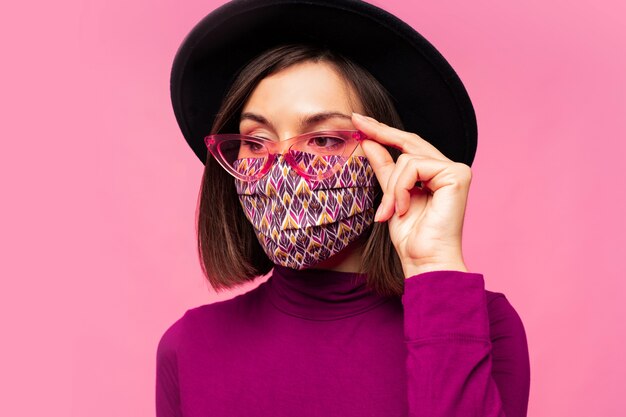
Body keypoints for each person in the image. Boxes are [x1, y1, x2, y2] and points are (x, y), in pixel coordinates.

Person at [157, 1, 531, 416]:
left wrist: (434, 268)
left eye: (323, 140)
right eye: (256, 141)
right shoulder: (188, 344)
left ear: (389, 156)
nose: (281, 170)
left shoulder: (484, 325)